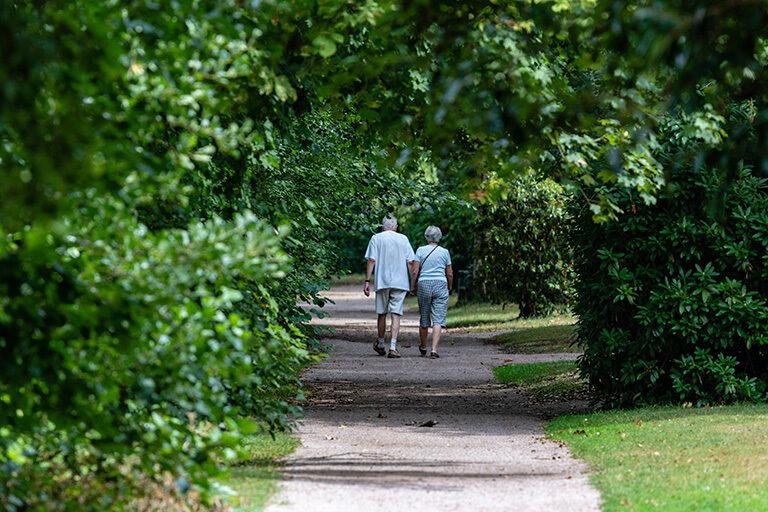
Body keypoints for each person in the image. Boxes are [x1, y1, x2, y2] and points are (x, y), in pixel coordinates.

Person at [363, 215, 418, 358]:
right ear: (396, 227)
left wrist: (367, 280)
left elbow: (371, 260)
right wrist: (413, 283)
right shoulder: (403, 239)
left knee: (382, 313)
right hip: (400, 282)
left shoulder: (376, 238)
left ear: (382, 227)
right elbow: (411, 262)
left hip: (382, 281)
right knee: (396, 313)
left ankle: (381, 344)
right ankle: (393, 347)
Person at [411, 226, 452, 358]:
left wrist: (413, 286)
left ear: (426, 237)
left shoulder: (420, 250)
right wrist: (449, 286)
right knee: (438, 319)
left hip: (424, 284)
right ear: (439, 237)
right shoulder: (445, 252)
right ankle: (434, 350)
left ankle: (423, 347)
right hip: (441, 283)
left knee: (424, 317)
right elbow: (449, 273)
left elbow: (415, 271)